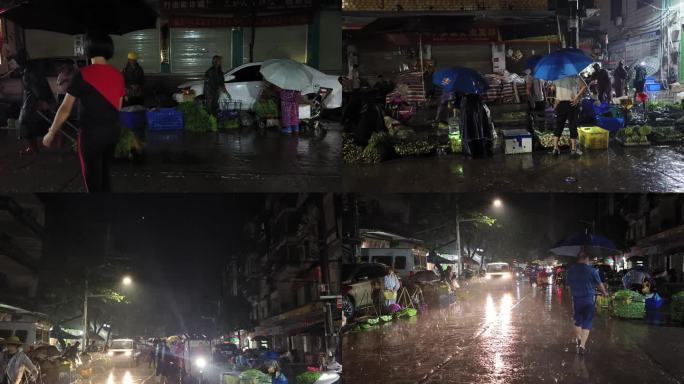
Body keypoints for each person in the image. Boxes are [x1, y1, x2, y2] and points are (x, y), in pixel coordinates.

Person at [43, 32, 126, 193]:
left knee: (93, 181)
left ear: (87, 50)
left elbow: (65, 108)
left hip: (92, 135)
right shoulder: (118, 74)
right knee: (104, 172)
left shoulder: (82, 74)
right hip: (113, 133)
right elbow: (119, 106)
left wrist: (51, 132)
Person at [566, 251, 608, 356]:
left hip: (576, 299)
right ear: (586, 259)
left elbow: (568, 287)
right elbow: (599, 284)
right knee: (587, 321)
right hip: (589, 299)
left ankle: (579, 338)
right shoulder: (592, 271)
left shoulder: (571, 270)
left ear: (578, 258)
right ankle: (582, 345)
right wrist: (604, 293)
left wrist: (572, 295)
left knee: (577, 320)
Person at [18, 62, 56, 156]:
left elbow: (35, 86)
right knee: (35, 124)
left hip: (32, 102)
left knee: (25, 124)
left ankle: (33, 149)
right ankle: (33, 148)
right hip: (34, 101)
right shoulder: (35, 69)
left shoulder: (29, 71)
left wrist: (41, 100)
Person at [551, 75, 587, 157]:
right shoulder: (574, 75)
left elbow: (552, 88)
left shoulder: (556, 76)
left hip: (560, 103)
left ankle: (555, 148)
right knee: (572, 125)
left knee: (559, 125)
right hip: (572, 103)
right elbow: (584, 86)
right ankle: (573, 149)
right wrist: (577, 97)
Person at [460, 93, 493, 158]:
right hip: (475, 110)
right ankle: (480, 152)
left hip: (473, 110)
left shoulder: (465, 97)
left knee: (474, 132)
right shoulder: (475, 92)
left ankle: (476, 152)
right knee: (478, 131)